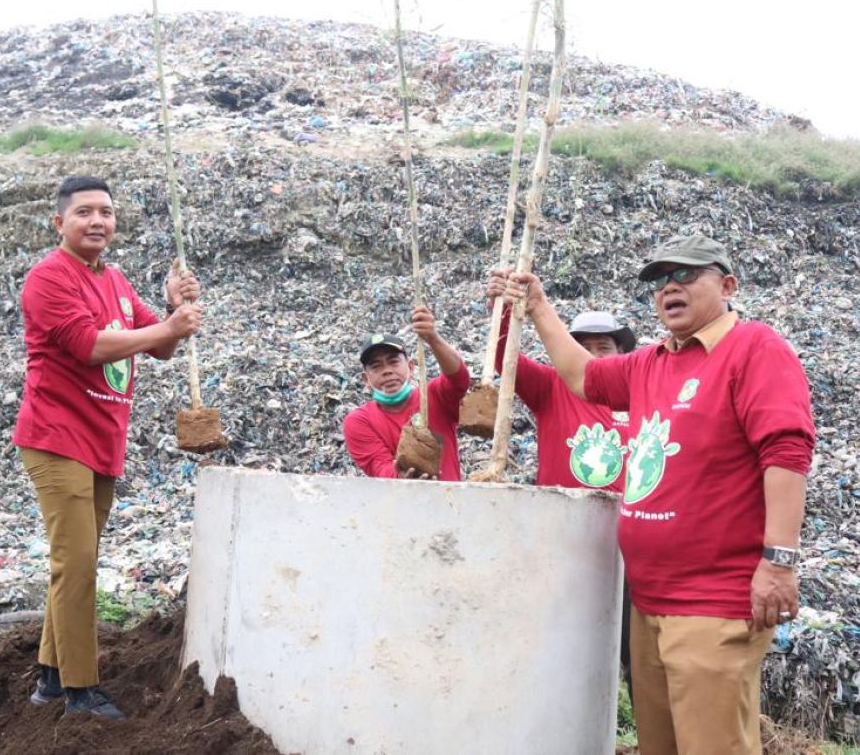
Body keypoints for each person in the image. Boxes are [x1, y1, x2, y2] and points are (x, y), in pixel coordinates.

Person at [507, 234, 815, 755]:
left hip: (713, 604)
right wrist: (537, 306)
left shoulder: (754, 348)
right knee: (662, 746)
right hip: (649, 604)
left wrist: (779, 563)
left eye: (687, 274)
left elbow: (786, 450)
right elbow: (582, 375)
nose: (670, 287)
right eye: (659, 280)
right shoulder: (652, 362)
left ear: (728, 284)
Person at [13, 175, 203, 719]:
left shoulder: (115, 279)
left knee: (78, 560)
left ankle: (50, 678)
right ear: (60, 223)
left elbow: (161, 348)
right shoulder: (49, 278)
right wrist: (166, 325)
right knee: (76, 564)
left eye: (107, 212)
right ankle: (80, 690)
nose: (98, 221)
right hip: (56, 437)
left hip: (101, 439)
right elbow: (88, 344)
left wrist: (172, 315)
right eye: (84, 213)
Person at [487, 267, 636, 492]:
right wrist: (502, 308)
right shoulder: (551, 386)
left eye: (603, 348)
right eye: (583, 348)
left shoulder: (638, 394)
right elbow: (505, 358)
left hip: (623, 519)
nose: (593, 356)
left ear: (622, 353)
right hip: (559, 515)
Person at [343, 305, 470, 481]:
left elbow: (459, 379)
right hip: (401, 505)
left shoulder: (433, 396)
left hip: (450, 502)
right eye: (376, 366)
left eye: (393, 362)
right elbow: (378, 466)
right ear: (366, 379)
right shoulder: (359, 421)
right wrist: (400, 476)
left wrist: (432, 337)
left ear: (410, 367)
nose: (387, 371)